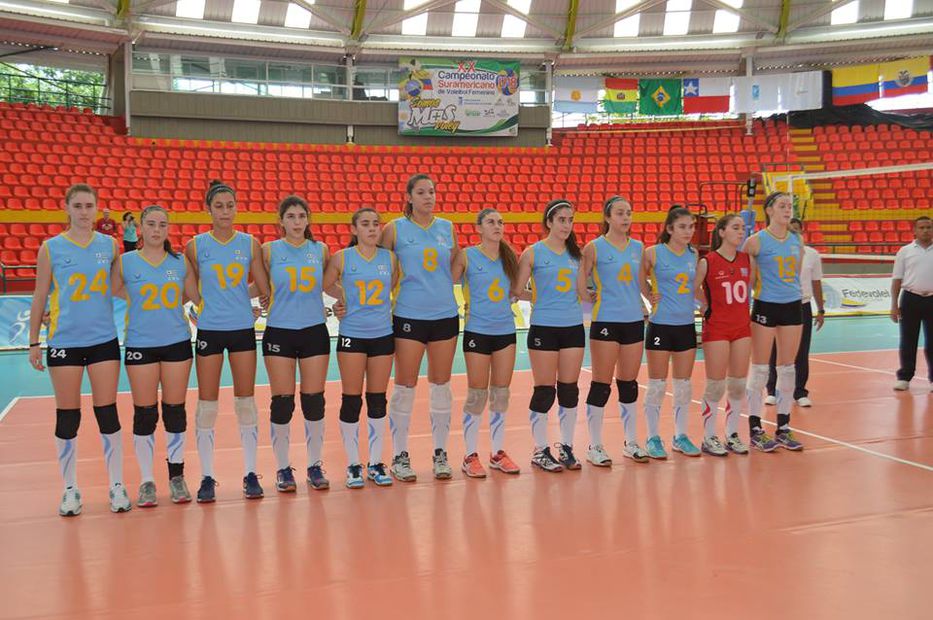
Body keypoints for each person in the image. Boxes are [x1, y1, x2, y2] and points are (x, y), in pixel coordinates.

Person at [28, 184, 131, 515]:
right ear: (67, 208)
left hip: (103, 340)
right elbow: (40, 295)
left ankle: (116, 485)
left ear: (97, 209)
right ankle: (70, 489)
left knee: (107, 412)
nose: (84, 212)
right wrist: (34, 341)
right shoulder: (51, 248)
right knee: (68, 416)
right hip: (64, 342)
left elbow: (119, 288)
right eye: (78, 206)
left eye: (89, 206)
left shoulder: (109, 245)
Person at [185, 180, 270, 502]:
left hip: (241, 328)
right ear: (208, 209)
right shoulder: (195, 246)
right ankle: (207, 477)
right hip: (209, 329)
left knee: (245, 402)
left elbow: (262, 285)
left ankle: (250, 473)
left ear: (236, 208)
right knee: (207, 405)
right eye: (219, 206)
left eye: (230, 205)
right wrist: (199, 305)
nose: (225, 211)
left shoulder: (249, 244)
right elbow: (189, 286)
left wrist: (248, 299)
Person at [112, 205, 200, 506]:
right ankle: (147, 481)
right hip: (140, 343)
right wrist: (136, 298)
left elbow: (193, 294)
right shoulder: (126, 262)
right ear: (140, 227)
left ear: (168, 228)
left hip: (176, 341)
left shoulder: (179, 262)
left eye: (162, 224)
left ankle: (176, 477)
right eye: (151, 224)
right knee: (145, 413)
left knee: (175, 411)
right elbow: (112, 290)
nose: (156, 229)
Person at [379, 174, 461, 482]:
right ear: (409, 197)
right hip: (408, 314)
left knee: (441, 385)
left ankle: (440, 453)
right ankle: (400, 455)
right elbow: (381, 268)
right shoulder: (395, 229)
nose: (429, 197)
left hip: (444, 315)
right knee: (405, 385)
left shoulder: (447, 228)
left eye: (432, 192)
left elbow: (454, 266)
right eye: (422, 192)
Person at [323, 207, 397, 488]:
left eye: (375, 224)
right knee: (352, 399)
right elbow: (326, 285)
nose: (372, 228)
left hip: (382, 334)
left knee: (378, 399)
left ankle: (376, 463)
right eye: (365, 224)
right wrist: (343, 298)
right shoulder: (342, 257)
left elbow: (393, 285)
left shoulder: (389, 258)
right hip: (352, 335)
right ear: (354, 229)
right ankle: (353, 464)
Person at [261, 196, 331, 492]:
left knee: (314, 401)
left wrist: (348, 301)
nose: (297, 222)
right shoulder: (268, 251)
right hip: (280, 331)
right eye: (290, 216)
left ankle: (314, 465)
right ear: (281, 221)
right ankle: (282, 468)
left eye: (301, 216)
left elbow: (331, 284)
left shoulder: (321, 250)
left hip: (314, 329)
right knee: (282, 402)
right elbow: (257, 286)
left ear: (308, 219)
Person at [513, 199, 585, 472]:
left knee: (569, 390)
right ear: (549, 222)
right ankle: (540, 449)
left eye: (570, 220)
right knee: (544, 391)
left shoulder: (576, 255)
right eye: (561, 220)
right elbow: (518, 290)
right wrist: (539, 297)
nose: (567, 225)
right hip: (544, 326)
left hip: (573, 326)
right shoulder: (533, 253)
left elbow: (582, 292)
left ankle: (566, 447)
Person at [450, 208, 522, 478]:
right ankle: (470, 455)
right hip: (477, 331)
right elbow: (445, 282)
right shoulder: (467, 256)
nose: (497, 226)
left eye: (500, 222)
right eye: (491, 222)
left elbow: (517, 291)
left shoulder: (510, 257)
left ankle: (498, 453)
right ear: (479, 228)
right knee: (477, 394)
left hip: (505, 330)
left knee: (501, 393)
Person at [578, 196, 648, 465]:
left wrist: (652, 298)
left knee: (629, 384)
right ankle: (595, 445)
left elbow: (642, 282)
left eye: (628, 213)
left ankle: (631, 442)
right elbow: (580, 277)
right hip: (606, 320)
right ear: (607, 217)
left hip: (633, 320)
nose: (626, 217)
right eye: (620, 213)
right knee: (601, 384)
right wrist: (586, 294)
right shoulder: (594, 247)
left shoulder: (638, 247)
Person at [742, 192, 805, 451]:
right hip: (765, 304)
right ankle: (755, 428)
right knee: (759, 369)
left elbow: (796, 272)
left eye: (789, 206)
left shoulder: (797, 239)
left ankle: (783, 427)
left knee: (788, 368)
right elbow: (745, 276)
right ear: (769, 210)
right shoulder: (756, 241)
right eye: (782, 206)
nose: (787, 210)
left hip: (792, 304)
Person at [639, 205, 701, 459]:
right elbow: (639, 278)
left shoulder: (693, 254)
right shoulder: (653, 253)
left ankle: (680, 436)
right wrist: (648, 296)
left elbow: (695, 287)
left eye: (691, 227)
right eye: (683, 227)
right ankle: (653, 437)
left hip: (685, 324)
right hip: (661, 324)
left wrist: (706, 305)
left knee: (683, 385)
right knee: (656, 385)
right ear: (670, 229)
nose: (688, 231)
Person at [695, 213, 753, 456]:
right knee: (716, 385)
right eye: (735, 228)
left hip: (742, 327)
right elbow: (693, 287)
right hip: (717, 327)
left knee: (738, 384)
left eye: (742, 228)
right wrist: (706, 305)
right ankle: (709, 437)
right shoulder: (708, 261)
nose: (741, 232)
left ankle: (731, 434)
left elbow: (752, 285)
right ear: (721, 232)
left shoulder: (747, 259)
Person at [766, 217, 824, 407]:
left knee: (801, 350)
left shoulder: (812, 255)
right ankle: (772, 390)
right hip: (779, 303)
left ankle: (800, 392)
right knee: (775, 349)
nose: (793, 233)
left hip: (802, 305)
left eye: (796, 229)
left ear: (801, 232)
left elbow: (816, 283)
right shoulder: (774, 252)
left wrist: (821, 309)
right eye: (790, 229)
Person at [891, 215, 932, 392]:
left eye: (929, 227)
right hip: (910, 299)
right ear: (914, 230)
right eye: (921, 228)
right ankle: (905, 377)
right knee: (908, 340)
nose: (925, 230)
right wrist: (894, 305)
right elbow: (897, 279)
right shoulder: (905, 251)